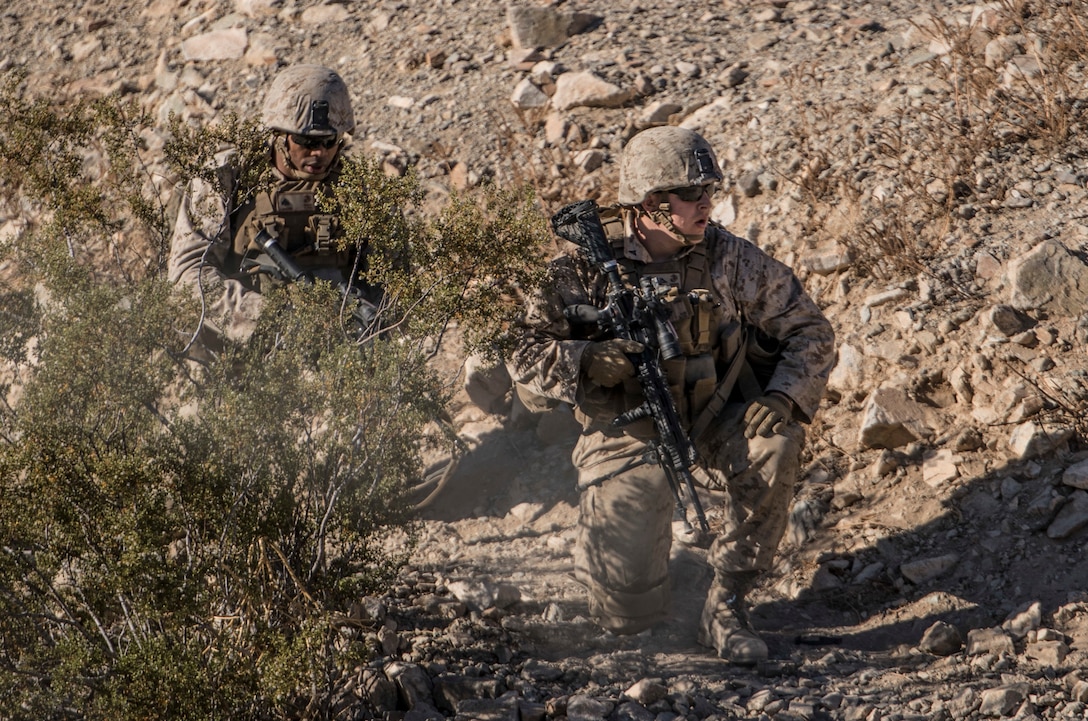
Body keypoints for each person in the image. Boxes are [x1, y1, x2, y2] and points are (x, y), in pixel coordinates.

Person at [510, 126, 836, 664]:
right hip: (628, 434)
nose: (707, 203)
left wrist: (783, 396)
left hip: (712, 421)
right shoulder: (583, 266)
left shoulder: (727, 257)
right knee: (625, 616)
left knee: (777, 442)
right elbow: (520, 349)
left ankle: (727, 599)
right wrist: (586, 360)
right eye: (692, 194)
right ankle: (642, 564)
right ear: (651, 204)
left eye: (710, 190)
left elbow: (810, 329)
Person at [169, 63, 377, 352]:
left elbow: (394, 281)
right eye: (306, 141)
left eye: (329, 141)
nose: (319, 153)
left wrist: (365, 320)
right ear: (279, 136)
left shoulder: (359, 187)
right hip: (240, 348)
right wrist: (274, 320)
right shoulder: (225, 177)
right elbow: (187, 276)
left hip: (337, 348)